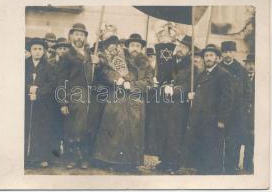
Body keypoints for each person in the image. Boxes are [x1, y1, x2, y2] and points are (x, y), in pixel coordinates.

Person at [92, 33, 153, 172]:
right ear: (127, 46)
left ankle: (132, 163)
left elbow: (149, 82)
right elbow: (106, 70)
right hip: (117, 99)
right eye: (132, 45)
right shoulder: (118, 58)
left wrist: (132, 85)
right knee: (115, 129)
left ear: (142, 48)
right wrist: (118, 79)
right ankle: (111, 161)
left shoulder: (146, 64)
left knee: (134, 132)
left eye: (138, 46)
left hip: (136, 101)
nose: (135, 48)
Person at [185, 44, 234, 174]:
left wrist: (222, 119)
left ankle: (212, 176)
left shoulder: (224, 75)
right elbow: (199, 93)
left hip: (214, 119)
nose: (208, 58)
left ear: (217, 58)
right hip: (200, 119)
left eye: (211, 55)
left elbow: (227, 99)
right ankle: (201, 172)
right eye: (206, 55)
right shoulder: (201, 74)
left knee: (213, 149)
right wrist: (192, 95)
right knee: (202, 147)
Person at [56, 23, 99, 170]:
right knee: (72, 127)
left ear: (85, 37)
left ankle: (85, 158)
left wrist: (97, 63)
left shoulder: (91, 54)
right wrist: (63, 102)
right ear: (71, 36)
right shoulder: (67, 56)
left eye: (82, 34)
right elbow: (61, 80)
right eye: (76, 34)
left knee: (87, 127)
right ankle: (72, 158)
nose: (79, 37)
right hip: (74, 95)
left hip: (89, 96)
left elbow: (97, 74)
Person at [155, 35, 194, 173]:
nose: (181, 49)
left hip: (180, 105)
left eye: (184, 48)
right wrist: (163, 84)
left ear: (189, 52)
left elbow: (188, 85)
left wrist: (175, 90)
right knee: (164, 131)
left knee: (175, 134)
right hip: (166, 103)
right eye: (180, 46)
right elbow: (163, 77)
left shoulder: (191, 67)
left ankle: (173, 163)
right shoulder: (171, 62)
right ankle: (164, 161)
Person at [25, 38, 57, 168]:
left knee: (42, 130)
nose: (37, 52)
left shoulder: (49, 66)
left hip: (43, 104)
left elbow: (52, 84)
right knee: (27, 127)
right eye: (34, 49)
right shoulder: (24, 65)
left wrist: (38, 91)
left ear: (44, 51)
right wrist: (28, 88)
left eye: (40, 49)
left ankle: (42, 157)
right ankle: (26, 157)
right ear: (30, 51)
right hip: (26, 102)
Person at [219, 41, 250, 174]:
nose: (228, 55)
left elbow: (247, 91)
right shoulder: (218, 68)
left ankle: (232, 166)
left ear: (235, 53)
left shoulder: (241, 69)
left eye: (231, 52)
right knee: (220, 138)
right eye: (226, 52)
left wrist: (244, 106)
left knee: (235, 139)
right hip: (220, 110)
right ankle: (220, 164)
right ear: (222, 53)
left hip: (237, 111)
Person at [242, 53, 255, 173]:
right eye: (249, 64)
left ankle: (248, 165)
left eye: (253, 64)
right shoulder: (242, 78)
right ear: (245, 65)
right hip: (242, 115)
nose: (251, 66)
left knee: (252, 140)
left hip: (254, 116)